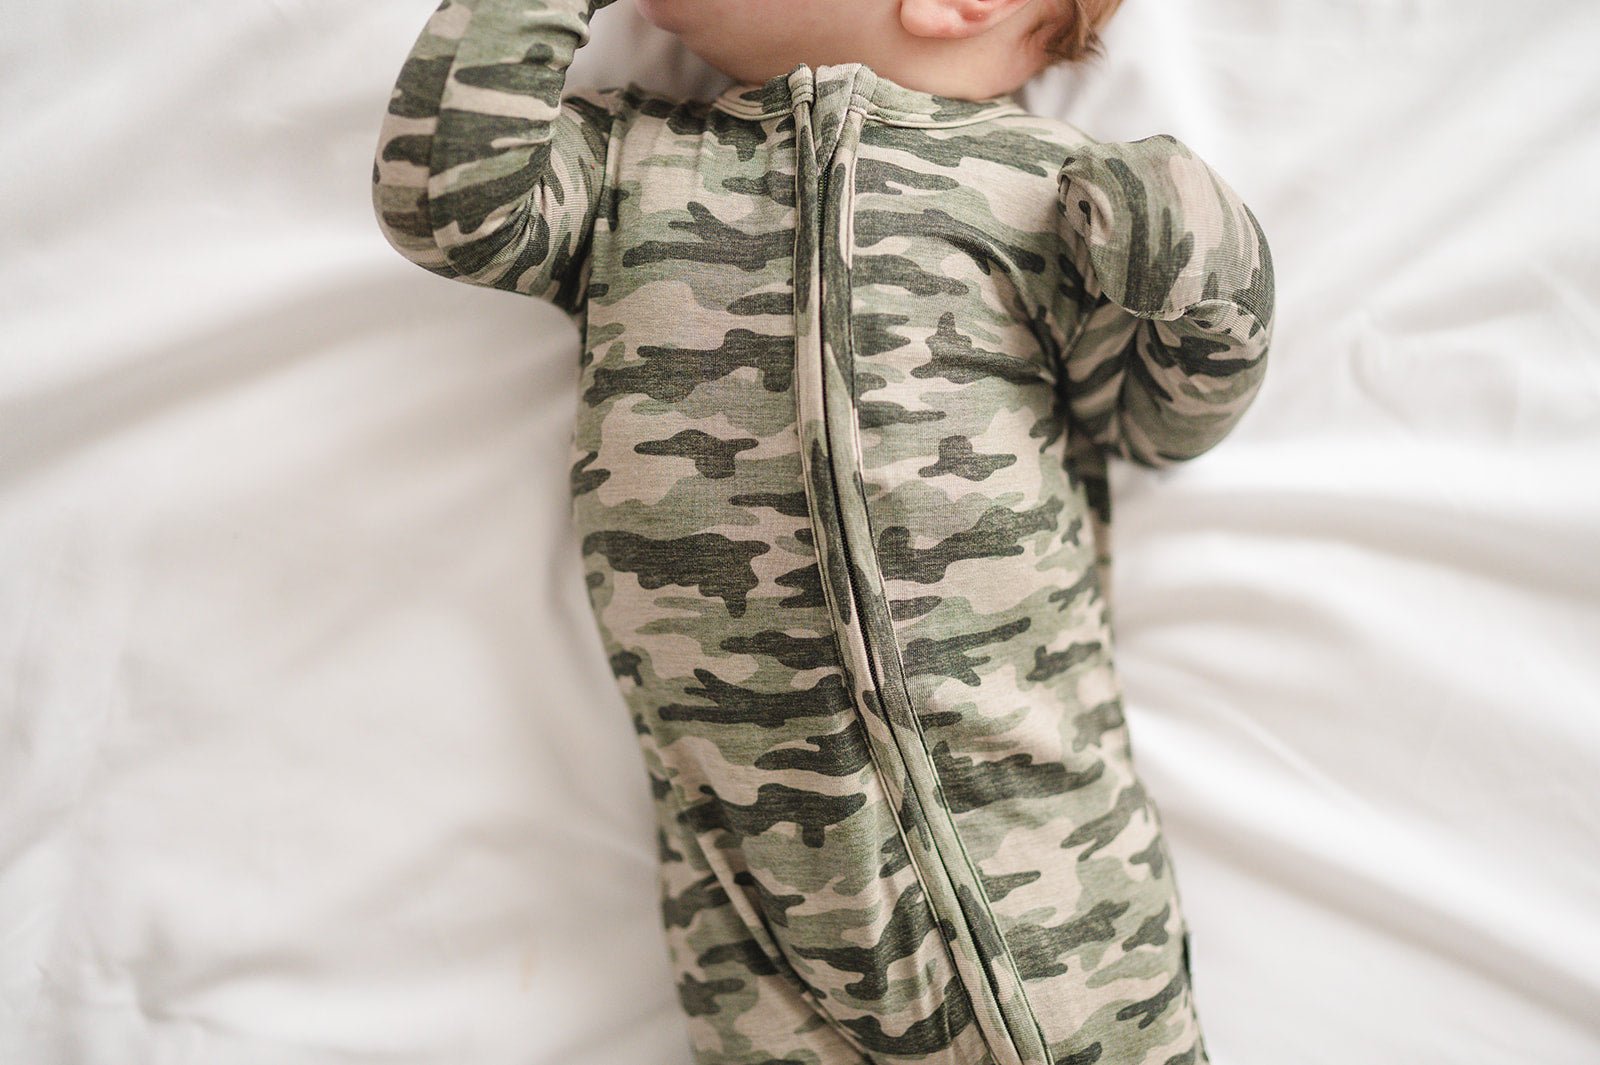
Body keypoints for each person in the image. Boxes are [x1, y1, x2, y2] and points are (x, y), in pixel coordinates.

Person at [370, 0, 1274, 1061]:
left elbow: (1155, 423)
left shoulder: (1048, 195)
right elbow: (447, 204)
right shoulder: (627, 164)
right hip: (761, 949)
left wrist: (1210, 269)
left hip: (1065, 922)